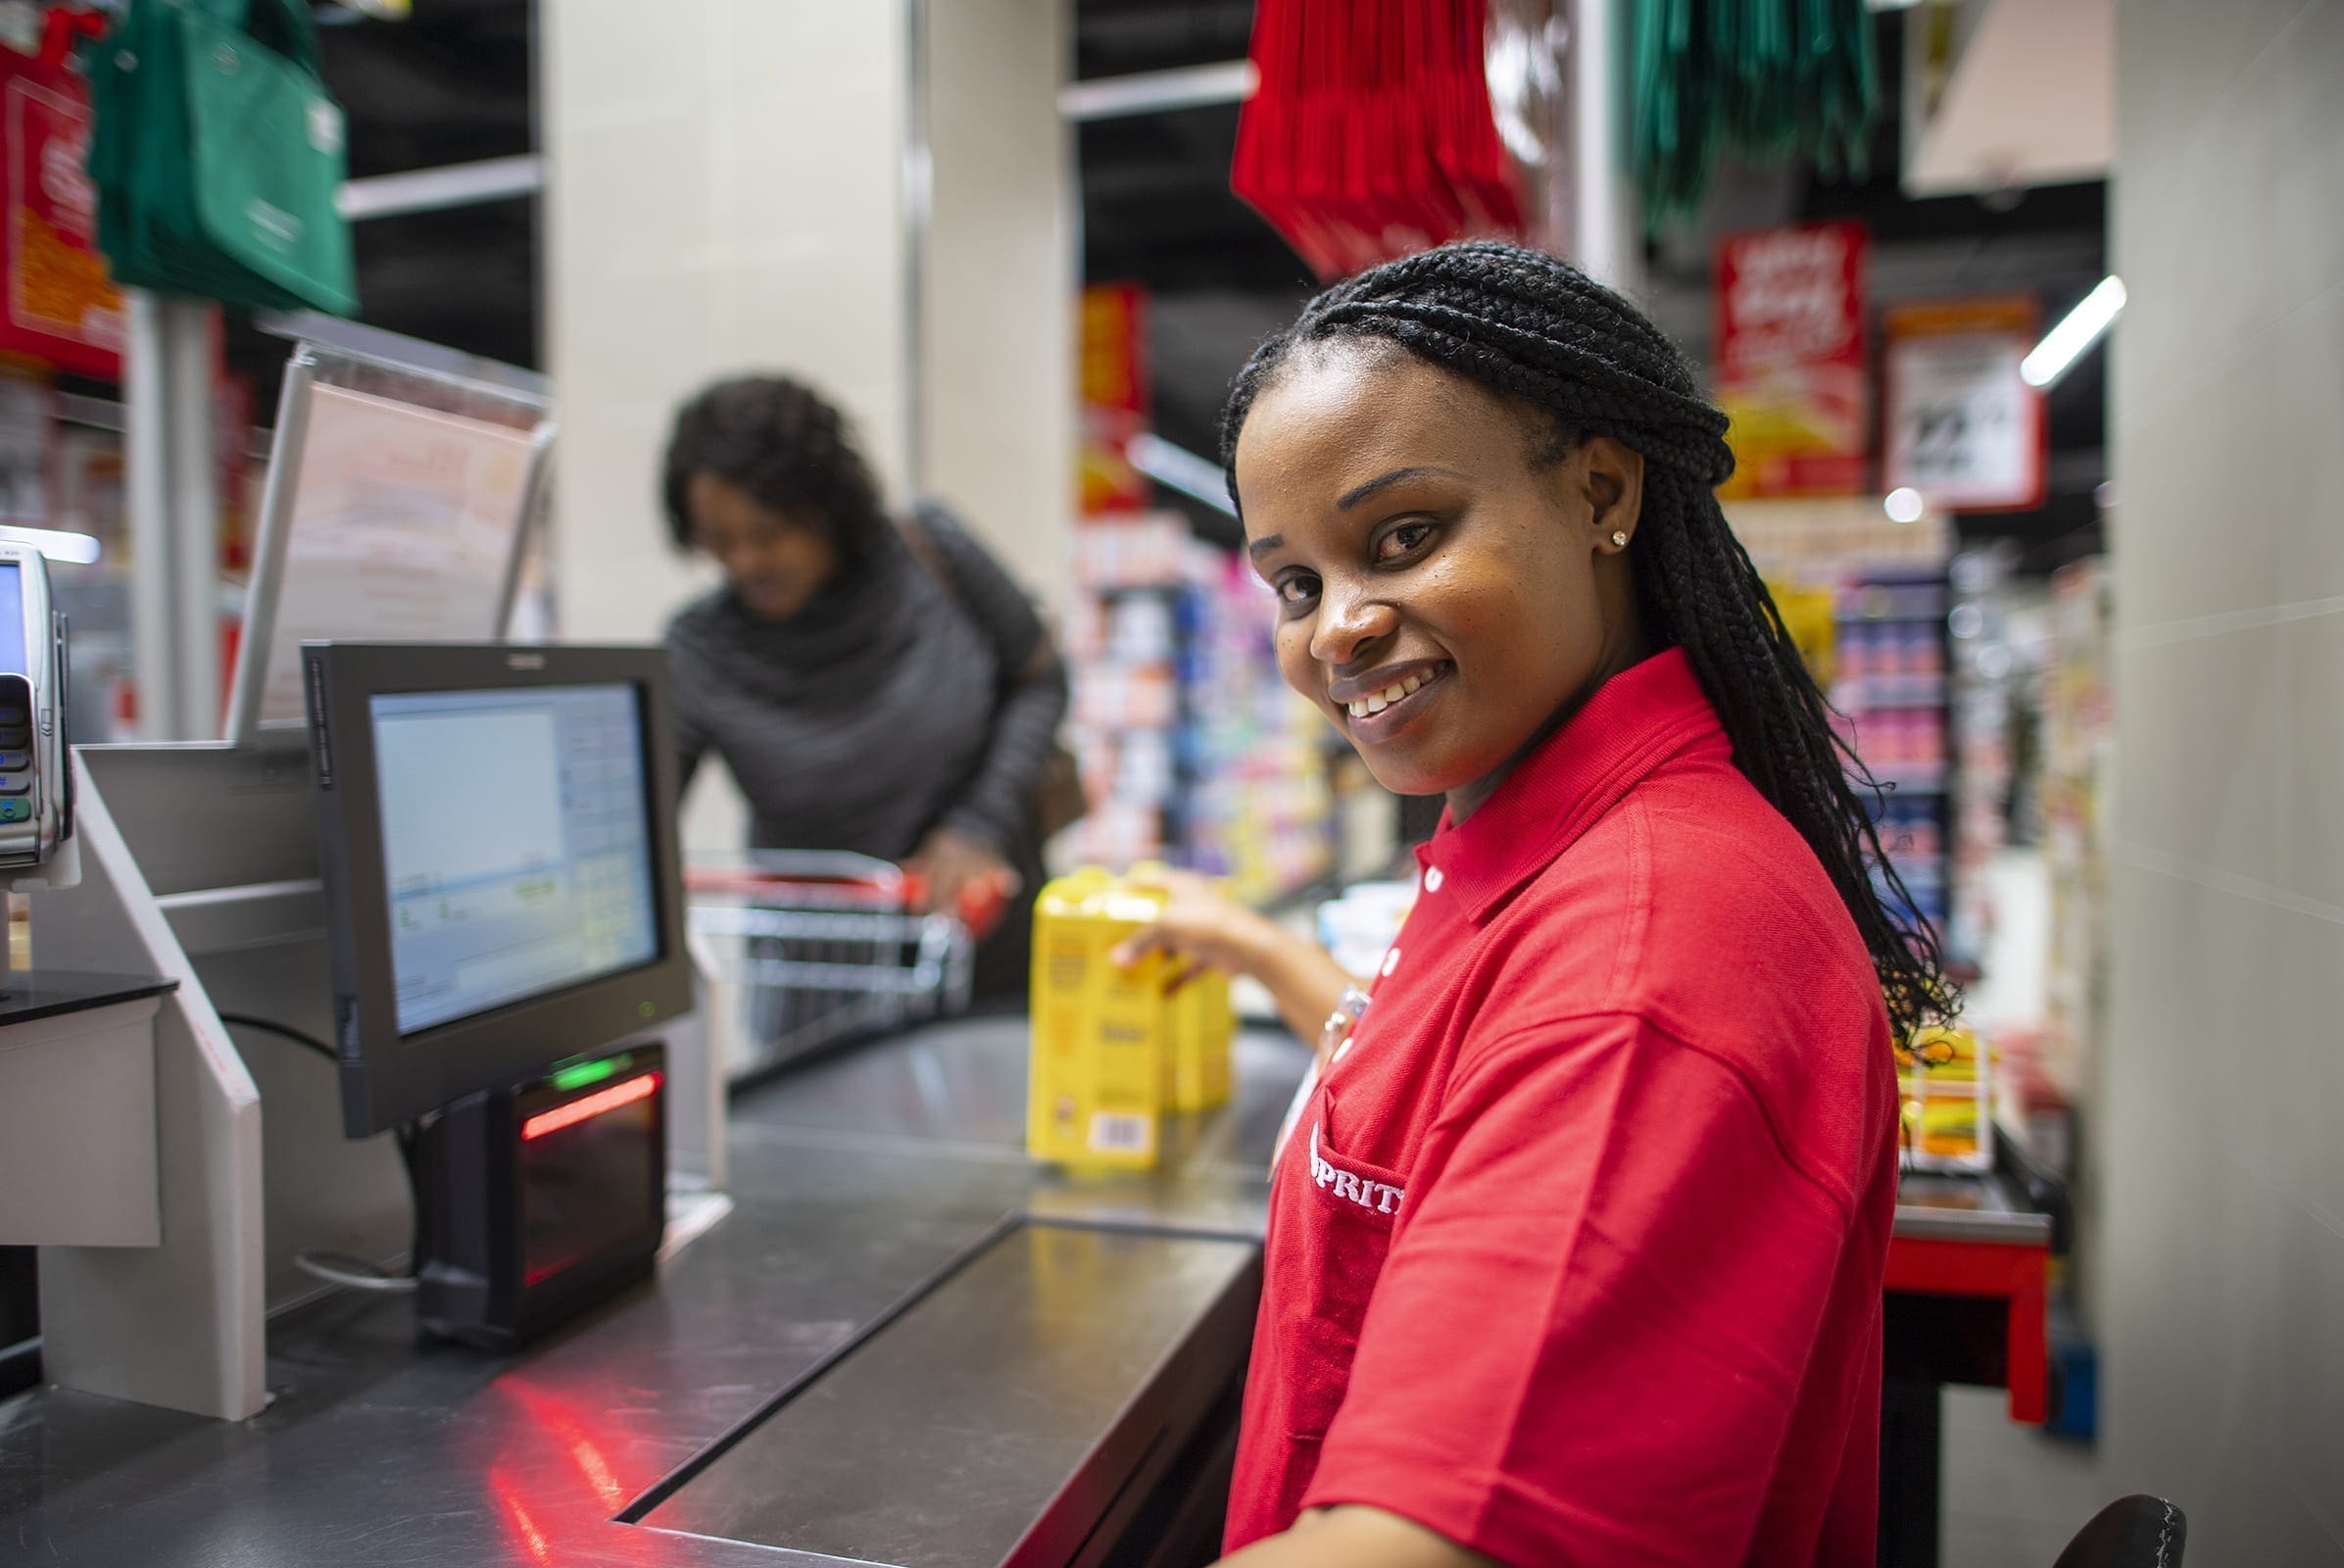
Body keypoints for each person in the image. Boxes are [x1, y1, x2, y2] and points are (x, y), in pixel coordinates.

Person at [1114, 242, 1954, 1567]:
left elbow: (1437, 1545)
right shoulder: (1534, 831)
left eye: (1405, 536)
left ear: (1602, 491)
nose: (1337, 628)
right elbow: (1464, 1087)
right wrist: (1249, 946)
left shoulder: (1651, 951)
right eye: (1296, 582)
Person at [661, 373, 1068, 999]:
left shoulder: (933, 554)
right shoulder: (701, 650)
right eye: (718, 541)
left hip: (987, 956)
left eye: (768, 535)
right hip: (824, 984)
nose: (744, 562)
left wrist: (976, 826)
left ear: (827, 510)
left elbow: (1039, 679)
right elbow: (651, 813)